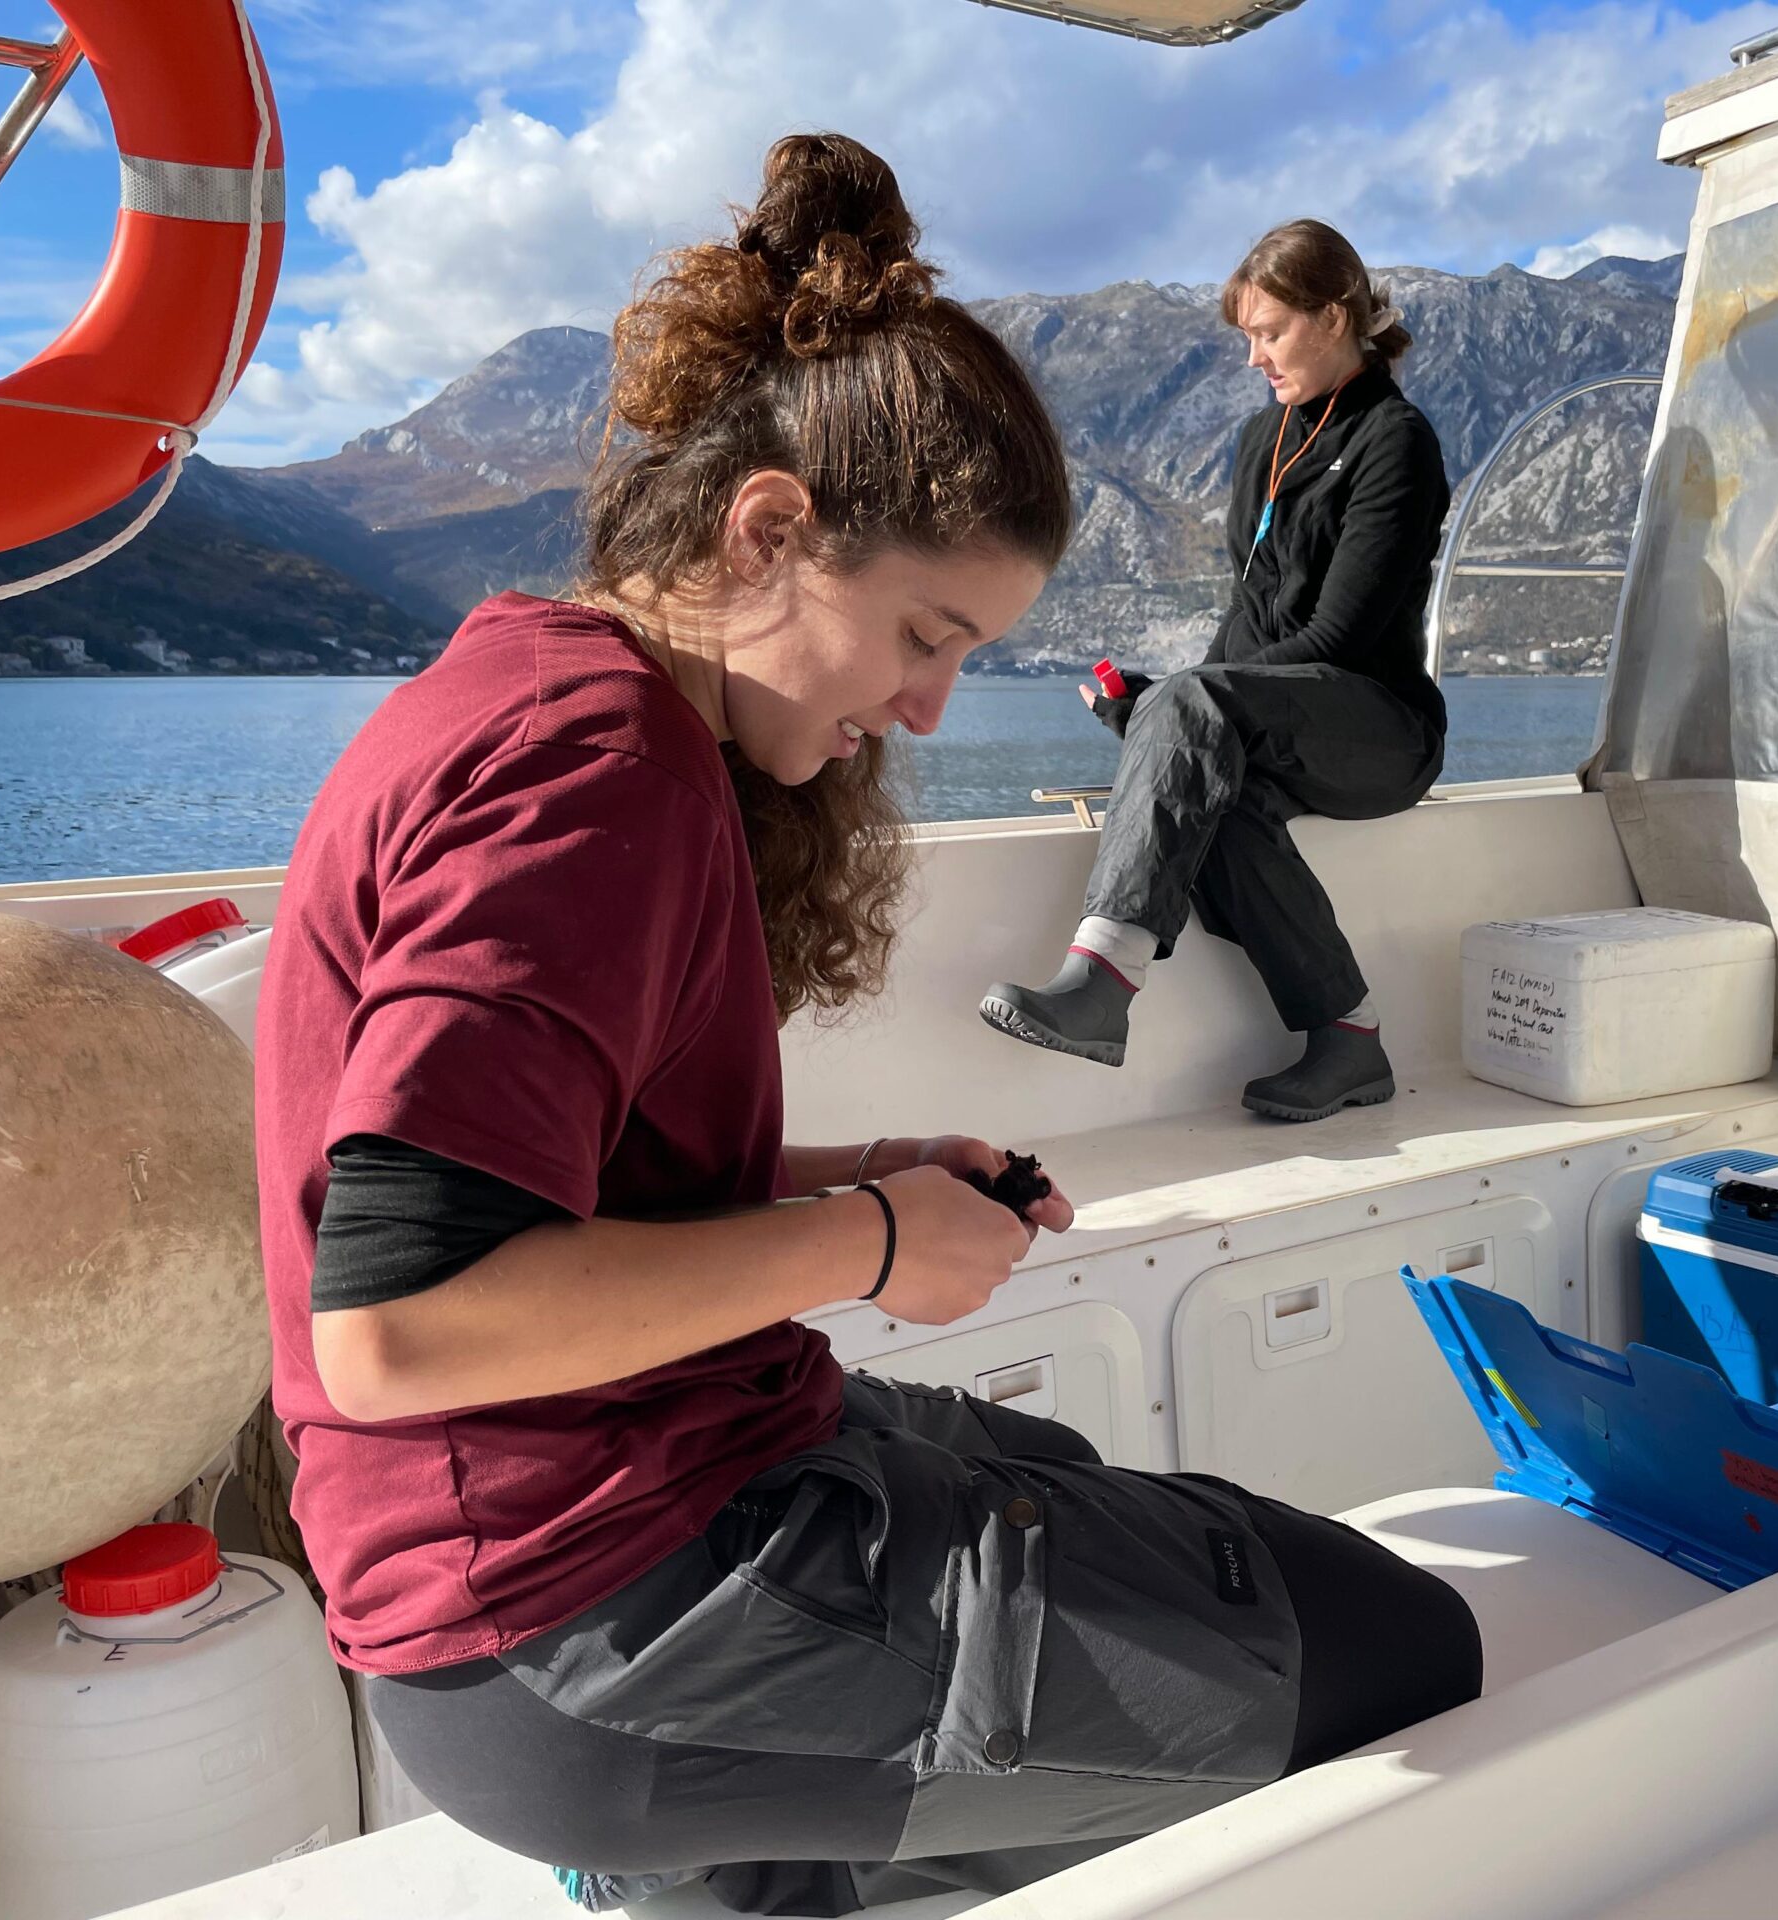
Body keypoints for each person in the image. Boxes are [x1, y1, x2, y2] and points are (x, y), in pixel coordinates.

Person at [254, 137, 1480, 1918]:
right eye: (923, 631)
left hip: (560, 1553)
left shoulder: (545, 689)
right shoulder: (582, 777)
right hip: (585, 1617)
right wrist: (867, 1238)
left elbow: (550, 1189)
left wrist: (861, 1175)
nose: (925, 701)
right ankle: (722, 1839)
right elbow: (402, 1322)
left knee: (1053, 1470)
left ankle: (738, 1875)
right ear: (767, 528)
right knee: (1401, 1650)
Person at [980, 219, 1453, 1123]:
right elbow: (1248, 620)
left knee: (1198, 707)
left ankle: (1105, 976)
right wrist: (1162, 715)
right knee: (1208, 775)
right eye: (1246, 335)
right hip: (1287, 715)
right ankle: (1349, 1038)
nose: (1252, 357)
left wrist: (1195, 701)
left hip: (1381, 724)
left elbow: (1340, 639)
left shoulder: (1397, 439)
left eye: (1268, 332)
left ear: (1334, 315)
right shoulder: (1258, 442)